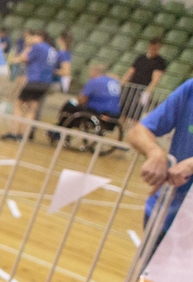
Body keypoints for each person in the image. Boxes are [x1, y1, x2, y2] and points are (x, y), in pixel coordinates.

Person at [125, 77, 192, 251]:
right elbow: (138, 131)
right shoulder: (190, 89)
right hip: (166, 214)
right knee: (146, 276)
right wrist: (155, 152)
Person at [5, 28, 56, 139]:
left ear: (40, 37)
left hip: (34, 80)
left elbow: (25, 58)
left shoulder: (38, 47)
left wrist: (13, 59)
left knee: (18, 104)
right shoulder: (52, 50)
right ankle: (23, 134)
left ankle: (14, 132)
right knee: (32, 108)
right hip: (45, 82)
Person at [58, 61, 121, 126]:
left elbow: (82, 100)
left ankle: (62, 128)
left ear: (95, 71)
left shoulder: (94, 81)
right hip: (115, 115)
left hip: (99, 113)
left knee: (69, 105)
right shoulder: (114, 81)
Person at [125, 38, 168, 114]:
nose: (153, 50)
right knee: (124, 111)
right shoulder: (141, 57)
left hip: (143, 89)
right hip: (132, 87)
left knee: (136, 113)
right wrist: (121, 83)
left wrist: (146, 93)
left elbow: (155, 79)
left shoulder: (160, 62)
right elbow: (130, 71)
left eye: (156, 48)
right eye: (152, 47)